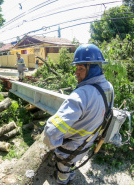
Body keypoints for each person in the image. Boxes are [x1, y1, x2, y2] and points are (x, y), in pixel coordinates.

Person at [43, 44, 114, 185]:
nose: (76, 72)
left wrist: (50, 146)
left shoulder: (80, 95)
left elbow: (51, 131)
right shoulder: (109, 87)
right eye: (76, 68)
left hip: (68, 149)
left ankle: (62, 180)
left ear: (93, 68)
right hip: (87, 143)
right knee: (72, 162)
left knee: (63, 168)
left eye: (80, 68)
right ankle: (70, 173)